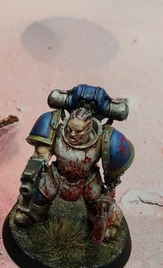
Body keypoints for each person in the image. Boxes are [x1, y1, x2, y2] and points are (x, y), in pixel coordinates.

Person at [15, 87, 134, 244]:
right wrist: (40, 161)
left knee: (99, 206)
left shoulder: (103, 139)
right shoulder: (56, 129)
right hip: (57, 174)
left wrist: (111, 184)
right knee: (39, 195)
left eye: (79, 132)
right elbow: (41, 153)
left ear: (89, 128)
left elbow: (114, 169)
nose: (72, 134)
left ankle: (109, 225)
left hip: (87, 179)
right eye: (70, 129)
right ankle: (31, 214)